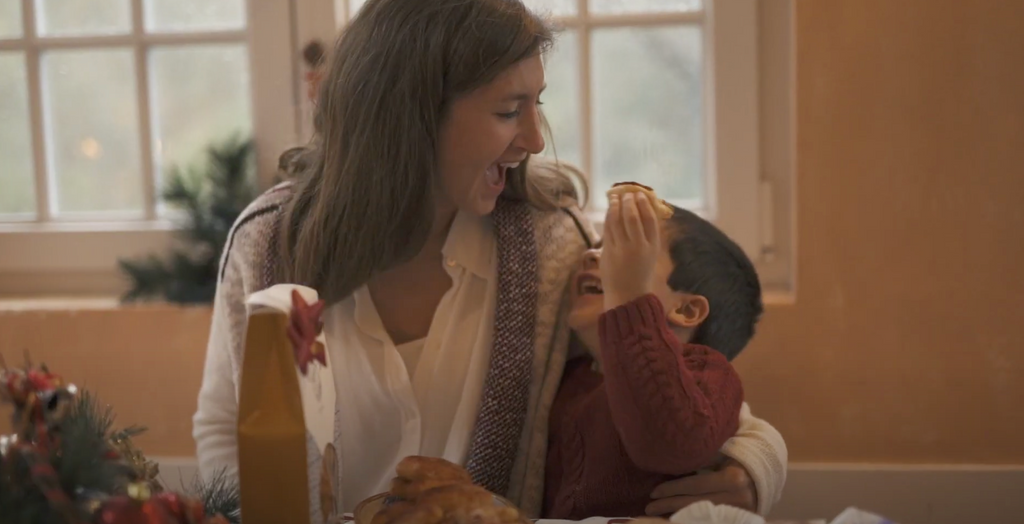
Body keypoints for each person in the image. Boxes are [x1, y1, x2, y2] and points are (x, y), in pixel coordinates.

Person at [191, 0, 787, 519]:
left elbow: (686, 382)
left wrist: (755, 465)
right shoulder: (267, 243)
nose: (533, 138)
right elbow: (225, 425)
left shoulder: (557, 246)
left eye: (537, 105)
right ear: (410, 117)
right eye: (509, 110)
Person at [544, 191, 764, 519]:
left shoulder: (709, 374)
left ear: (686, 308)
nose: (591, 254)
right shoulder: (569, 375)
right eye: (600, 244)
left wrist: (628, 299)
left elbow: (673, 444)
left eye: (622, 252)